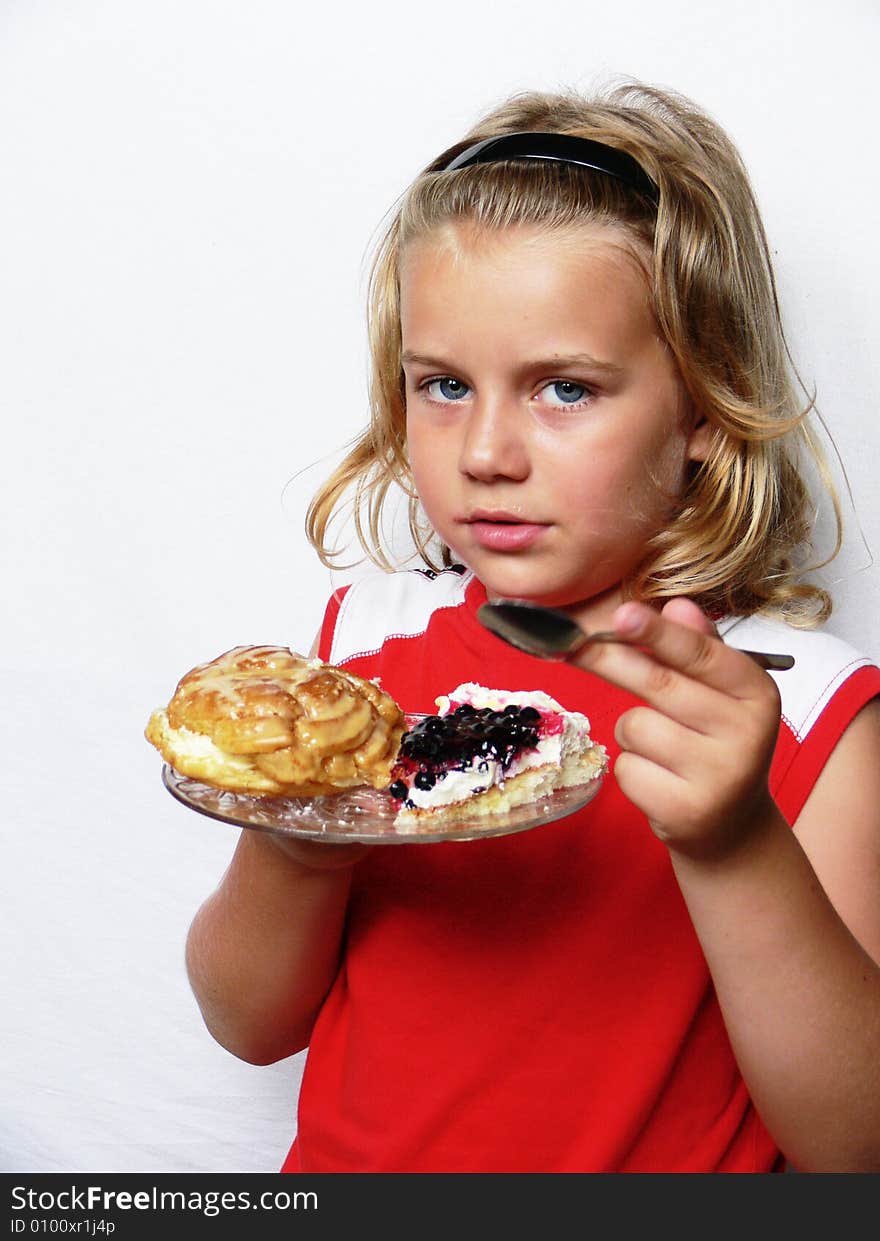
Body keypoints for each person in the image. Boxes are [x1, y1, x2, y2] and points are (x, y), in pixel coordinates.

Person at [184, 83, 880, 1173]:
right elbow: (248, 1023)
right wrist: (292, 843)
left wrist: (736, 844)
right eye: (444, 385)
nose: (486, 452)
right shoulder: (361, 653)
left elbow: (855, 1145)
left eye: (563, 388)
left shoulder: (800, 711)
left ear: (704, 404)